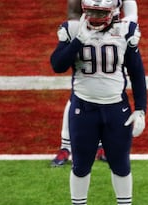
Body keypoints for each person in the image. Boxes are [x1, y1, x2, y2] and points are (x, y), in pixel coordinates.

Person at [50, 0, 147, 205]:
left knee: (120, 164)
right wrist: (78, 41)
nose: (93, 16)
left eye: (99, 11)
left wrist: (141, 109)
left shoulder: (125, 31)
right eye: (90, 10)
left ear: (113, 11)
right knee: (81, 165)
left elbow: (137, 71)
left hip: (116, 109)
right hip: (84, 108)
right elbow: (57, 65)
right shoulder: (73, 30)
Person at [51, 0, 138, 167]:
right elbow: (73, 12)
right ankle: (66, 146)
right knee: (80, 92)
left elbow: (131, 11)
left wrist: (120, 33)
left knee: (112, 88)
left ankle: (102, 143)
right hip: (88, 34)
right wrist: (82, 32)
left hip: (114, 35)